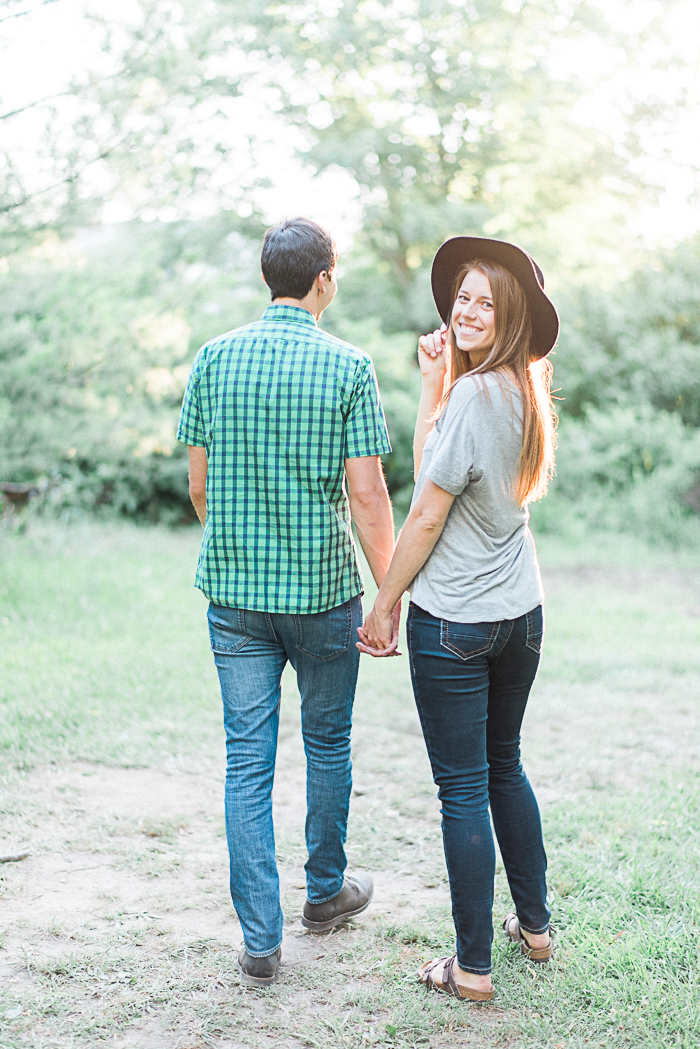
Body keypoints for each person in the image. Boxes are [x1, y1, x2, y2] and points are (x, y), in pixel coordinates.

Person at [177, 217, 399, 988]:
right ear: (325, 280)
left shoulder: (214, 358)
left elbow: (200, 486)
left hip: (234, 597)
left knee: (247, 759)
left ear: (267, 277)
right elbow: (367, 492)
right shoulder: (349, 365)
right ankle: (327, 891)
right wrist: (389, 594)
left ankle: (261, 939)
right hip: (321, 594)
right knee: (328, 742)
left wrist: (240, 543)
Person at [358, 236, 559, 1001]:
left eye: (486, 301)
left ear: (509, 316)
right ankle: (534, 928)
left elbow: (425, 515)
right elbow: (432, 463)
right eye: (463, 297)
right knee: (504, 763)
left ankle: (471, 965)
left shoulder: (478, 398)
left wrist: (385, 601)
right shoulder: (516, 390)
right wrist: (434, 380)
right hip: (520, 612)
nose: (468, 310)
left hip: (457, 623)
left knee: (464, 788)